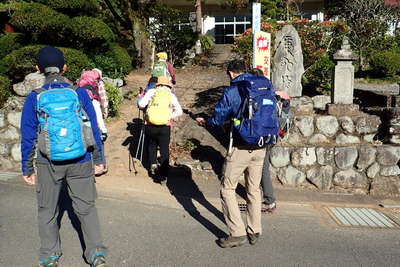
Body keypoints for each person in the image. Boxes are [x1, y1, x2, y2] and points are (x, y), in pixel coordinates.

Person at [20, 46, 107, 267]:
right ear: (65, 67)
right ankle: (96, 254)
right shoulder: (79, 93)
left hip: (48, 162)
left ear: (38, 69)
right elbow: (92, 129)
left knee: (47, 209)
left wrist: (27, 168)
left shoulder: (34, 98)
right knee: (86, 208)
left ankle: (50, 256)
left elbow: (28, 136)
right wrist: (99, 159)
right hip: (81, 159)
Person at [196, 60, 277, 248]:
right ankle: (255, 230)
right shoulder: (263, 86)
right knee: (254, 189)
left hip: (241, 147)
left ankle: (237, 233)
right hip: (261, 146)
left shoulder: (233, 91)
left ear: (231, 73)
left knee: (227, 188)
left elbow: (217, 119)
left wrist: (207, 121)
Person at [137, 76, 182, 185]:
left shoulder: (152, 92)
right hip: (164, 126)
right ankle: (164, 174)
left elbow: (141, 104)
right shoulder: (171, 95)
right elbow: (179, 111)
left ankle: (153, 164)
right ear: (168, 85)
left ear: (157, 84)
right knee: (164, 149)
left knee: (152, 145)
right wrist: (169, 117)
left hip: (150, 125)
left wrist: (140, 98)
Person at [249, 68, 277, 213]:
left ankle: (268, 200)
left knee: (261, 168)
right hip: (271, 134)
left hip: (257, 134)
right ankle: (263, 198)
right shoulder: (270, 89)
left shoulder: (253, 91)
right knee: (262, 166)